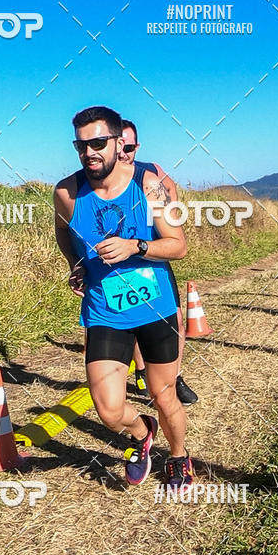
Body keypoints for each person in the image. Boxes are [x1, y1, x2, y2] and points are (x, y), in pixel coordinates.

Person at [54, 105, 194, 488]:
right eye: (81, 145)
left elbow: (178, 246)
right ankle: (141, 432)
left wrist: (135, 246)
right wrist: (75, 264)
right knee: (109, 409)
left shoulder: (148, 184)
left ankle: (179, 456)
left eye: (98, 143)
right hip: (104, 311)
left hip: (156, 308)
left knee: (164, 396)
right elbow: (64, 233)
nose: (89, 153)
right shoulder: (66, 193)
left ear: (119, 142)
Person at [119, 119, 198, 406]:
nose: (123, 154)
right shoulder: (100, 179)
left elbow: (170, 188)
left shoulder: (150, 172)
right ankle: (141, 371)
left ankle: (174, 377)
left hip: (151, 255)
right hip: (117, 265)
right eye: (119, 147)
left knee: (175, 318)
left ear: (136, 146)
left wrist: (166, 219)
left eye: (129, 147)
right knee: (136, 318)